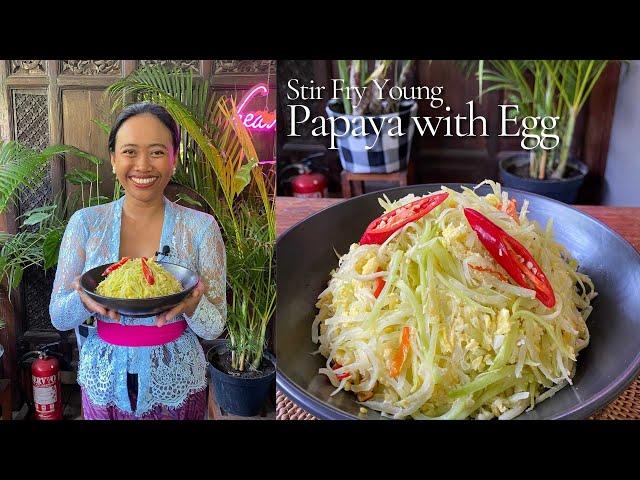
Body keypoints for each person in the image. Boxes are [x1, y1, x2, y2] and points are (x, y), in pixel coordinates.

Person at [49, 102, 226, 420]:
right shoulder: (86, 223)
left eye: (157, 152)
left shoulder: (201, 228)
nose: (143, 165)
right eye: (130, 151)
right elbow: (59, 317)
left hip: (178, 380)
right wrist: (83, 299)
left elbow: (214, 327)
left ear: (174, 159)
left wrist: (191, 306)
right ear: (114, 159)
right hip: (102, 381)